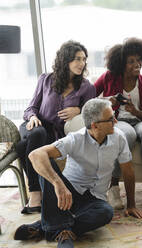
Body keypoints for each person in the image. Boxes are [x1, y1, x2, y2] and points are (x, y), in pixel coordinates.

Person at [14, 99, 142, 248]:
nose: (115, 121)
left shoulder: (119, 137)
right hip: (67, 195)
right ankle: (63, 234)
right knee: (47, 162)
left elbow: (128, 172)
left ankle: (48, 227)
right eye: (110, 119)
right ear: (95, 125)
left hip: (94, 200)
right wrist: (59, 184)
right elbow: (35, 155)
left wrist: (131, 205)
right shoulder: (75, 139)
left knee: (106, 213)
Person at [16, 40, 96, 214]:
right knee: (36, 133)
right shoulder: (46, 79)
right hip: (33, 125)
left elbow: (92, 113)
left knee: (22, 147)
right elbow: (31, 107)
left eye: (83, 59)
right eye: (77, 59)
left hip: (54, 134)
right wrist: (32, 117)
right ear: (65, 60)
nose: (81, 63)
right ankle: (36, 194)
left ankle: (37, 193)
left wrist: (78, 109)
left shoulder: (86, 87)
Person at [94, 37, 142, 210]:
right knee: (126, 134)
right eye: (131, 62)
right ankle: (114, 187)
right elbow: (91, 97)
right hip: (118, 120)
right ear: (121, 64)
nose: (137, 64)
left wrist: (136, 112)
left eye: (139, 60)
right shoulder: (109, 77)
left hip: (140, 120)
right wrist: (109, 101)